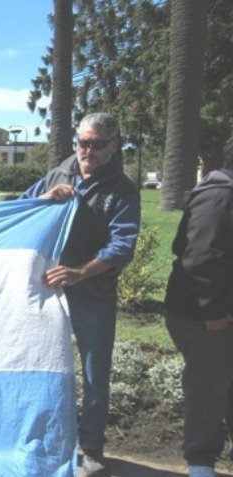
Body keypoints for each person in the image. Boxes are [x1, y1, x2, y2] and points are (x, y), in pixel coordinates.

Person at [21, 112, 140, 475]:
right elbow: (23, 207)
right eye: (83, 142)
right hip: (48, 293)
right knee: (43, 366)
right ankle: (51, 438)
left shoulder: (123, 189)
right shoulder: (60, 172)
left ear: (114, 145)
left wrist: (80, 273)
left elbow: (122, 245)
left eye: (98, 144)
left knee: (94, 374)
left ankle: (91, 447)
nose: (88, 150)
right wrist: (45, 196)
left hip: (92, 294)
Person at [164, 136, 233, 477]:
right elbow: (200, 258)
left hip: (217, 311)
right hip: (203, 315)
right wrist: (213, 313)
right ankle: (201, 463)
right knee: (208, 387)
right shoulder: (220, 197)